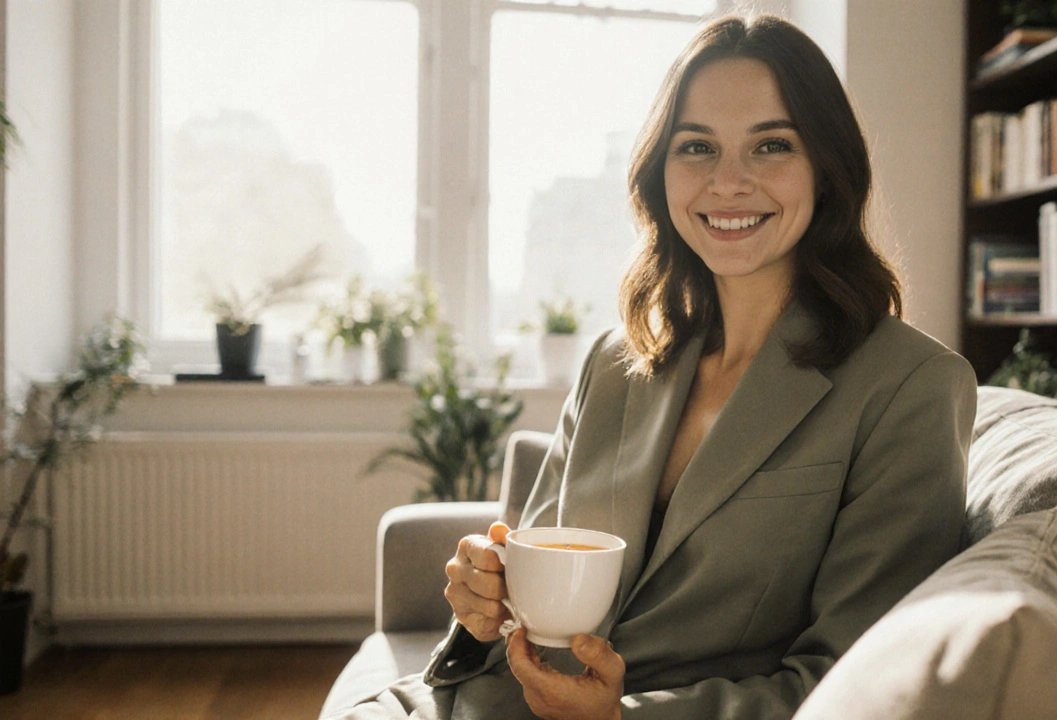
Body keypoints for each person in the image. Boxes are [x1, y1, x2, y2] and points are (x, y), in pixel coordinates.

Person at [332, 13, 976, 720]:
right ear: (659, 172)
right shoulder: (613, 363)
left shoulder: (909, 388)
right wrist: (485, 608)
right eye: (696, 146)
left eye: (771, 145)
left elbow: (854, 681)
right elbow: (529, 603)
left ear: (827, 168)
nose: (728, 182)